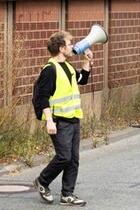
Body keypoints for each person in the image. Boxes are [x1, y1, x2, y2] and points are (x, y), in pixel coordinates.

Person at [33, 31, 92, 206]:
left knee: (73, 159)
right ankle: (42, 181)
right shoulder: (50, 69)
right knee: (64, 157)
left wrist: (87, 61)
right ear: (61, 48)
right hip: (59, 120)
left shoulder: (67, 67)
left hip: (73, 119)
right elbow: (43, 97)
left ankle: (67, 195)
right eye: (70, 43)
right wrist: (49, 121)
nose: (73, 46)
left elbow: (82, 80)